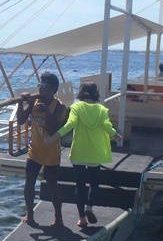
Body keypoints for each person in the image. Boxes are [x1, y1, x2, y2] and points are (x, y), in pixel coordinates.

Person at [45, 82, 122, 228]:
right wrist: (116, 136)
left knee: (80, 185)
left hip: (79, 152)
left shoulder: (76, 107)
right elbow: (107, 125)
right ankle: (89, 208)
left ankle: (82, 219)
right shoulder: (102, 109)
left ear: (81, 92)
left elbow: (70, 124)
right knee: (93, 183)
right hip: (95, 152)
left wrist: (53, 138)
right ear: (96, 93)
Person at [16, 71, 67, 228]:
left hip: (51, 152)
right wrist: (21, 102)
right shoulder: (34, 103)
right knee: (29, 182)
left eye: (44, 86)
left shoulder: (59, 106)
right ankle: (30, 215)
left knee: (52, 184)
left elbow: (53, 130)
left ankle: (58, 217)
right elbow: (20, 120)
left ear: (52, 89)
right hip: (35, 150)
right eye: (39, 85)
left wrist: (47, 112)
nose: (40, 89)